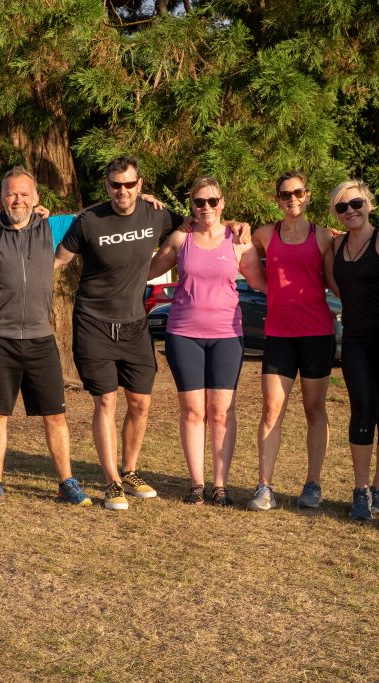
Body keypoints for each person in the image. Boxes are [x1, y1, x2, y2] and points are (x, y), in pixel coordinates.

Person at [0, 166, 92, 509]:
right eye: (11, 194)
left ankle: (66, 482)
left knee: (55, 415)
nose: (18, 200)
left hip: (40, 338)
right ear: (2, 197)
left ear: (36, 198)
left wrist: (140, 200)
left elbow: (94, 216)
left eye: (24, 194)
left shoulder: (52, 227)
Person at [54, 156, 184, 510]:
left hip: (135, 325)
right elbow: (58, 259)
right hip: (93, 323)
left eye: (129, 184)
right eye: (115, 184)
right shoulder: (89, 221)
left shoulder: (157, 215)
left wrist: (234, 225)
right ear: (107, 186)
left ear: (140, 185)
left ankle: (129, 470)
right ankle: (111, 481)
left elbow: (199, 224)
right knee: (106, 401)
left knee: (140, 402)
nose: (122, 190)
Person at [147, 177, 267, 506]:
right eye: (199, 202)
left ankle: (220, 486)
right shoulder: (180, 239)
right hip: (184, 333)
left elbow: (262, 283)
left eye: (213, 201)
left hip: (227, 335)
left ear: (222, 203)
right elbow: (146, 270)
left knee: (221, 411)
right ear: (192, 205)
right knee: (192, 411)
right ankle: (196, 485)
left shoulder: (238, 241)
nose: (206, 207)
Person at [247, 170, 338, 511]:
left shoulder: (323, 236)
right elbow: (240, 249)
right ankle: (264, 486)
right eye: (285, 195)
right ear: (277, 200)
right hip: (279, 334)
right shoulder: (266, 234)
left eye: (297, 193)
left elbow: (333, 281)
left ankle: (313, 483)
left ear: (307, 194)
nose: (292, 199)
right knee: (271, 409)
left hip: (317, 333)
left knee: (314, 409)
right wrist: (266, 287)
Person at [328, 180, 379, 521]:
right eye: (342, 207)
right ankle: (360, 490)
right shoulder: (335, 245)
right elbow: (335, 285)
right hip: (355, 340)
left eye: (356, 203)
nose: (350, 211)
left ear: (369, 203)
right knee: (362, 408)